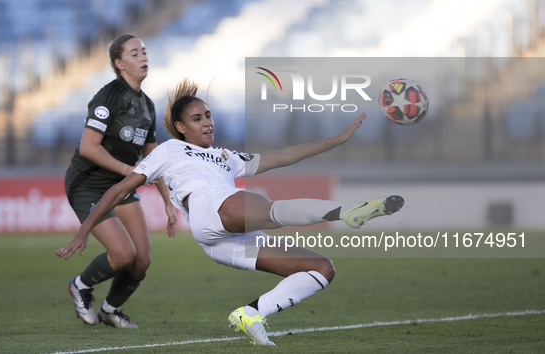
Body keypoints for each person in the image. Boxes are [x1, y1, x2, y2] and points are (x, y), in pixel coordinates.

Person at [57, 79, 404, 344]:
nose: (207, 122)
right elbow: (120, 188)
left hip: (223, 240)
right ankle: (346, 213)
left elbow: (284, 155)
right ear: (181, 127)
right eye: (197, 118)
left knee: (320, 267)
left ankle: (252, 313)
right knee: (261, 205)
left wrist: (337, 140)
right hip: (211, 211)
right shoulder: (170, 150)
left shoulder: (226, 157)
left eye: (208, 115)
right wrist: (84, 231)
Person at [63, 34, 177, 329]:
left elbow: (152, 160)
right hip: (88, 183)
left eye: (144, 52)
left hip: (120, 187)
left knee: (141, 260)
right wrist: (128, 170)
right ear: (119, 63)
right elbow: (89, 147)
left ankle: (110, 310)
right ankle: (79, 285)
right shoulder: (108, 97)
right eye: (135, 53)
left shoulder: (148, 107)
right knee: (123, 253)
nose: (143, 57)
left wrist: (167, 201)